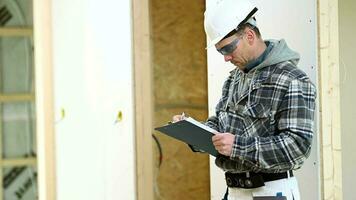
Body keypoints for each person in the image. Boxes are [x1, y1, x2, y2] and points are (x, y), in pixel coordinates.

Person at [173, 0, 316, 199]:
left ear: (249, 35)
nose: (226, 58)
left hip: (271, 192)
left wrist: (238, 146)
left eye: (228, 49)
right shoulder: (234, 79)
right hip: (234, 192)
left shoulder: (292, 79)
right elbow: (220, 126)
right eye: (220, 51)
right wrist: (192, 130)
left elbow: (297, 148)